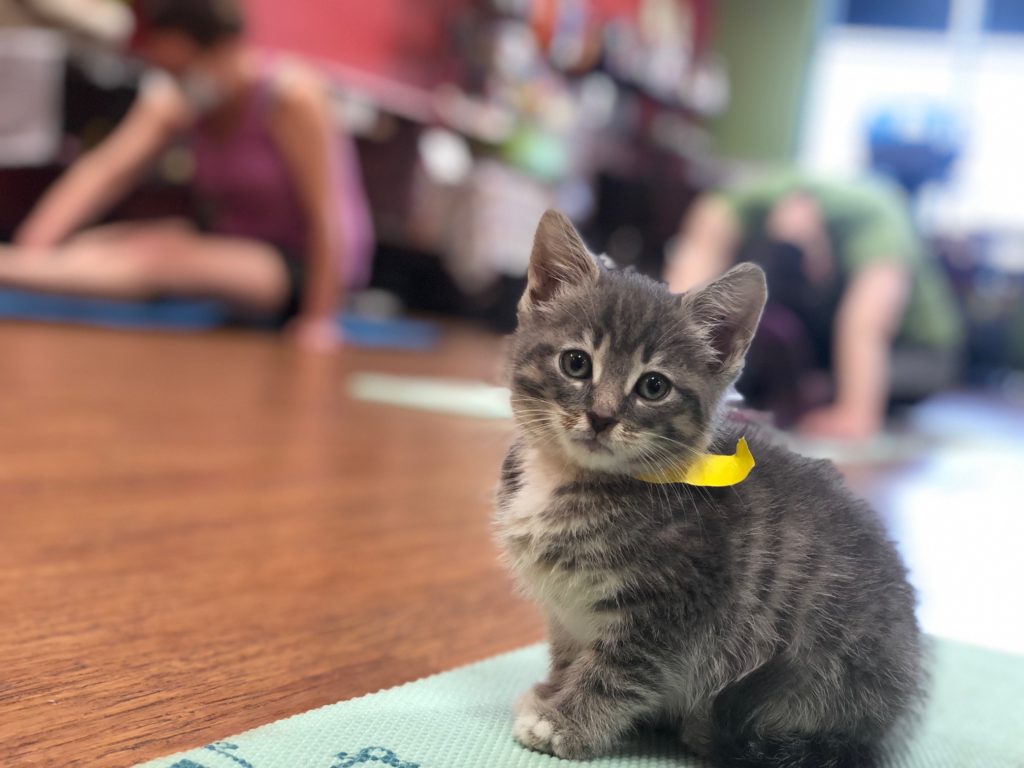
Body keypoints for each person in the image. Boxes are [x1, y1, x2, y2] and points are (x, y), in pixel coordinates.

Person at [0, 0, 372, 350]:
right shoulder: (179, 97)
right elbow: (103, 174)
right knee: (110, 243)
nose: (177, 81)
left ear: (225, 47)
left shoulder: (292, 97)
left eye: (184, 69)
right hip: (230, 242)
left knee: (161, 260)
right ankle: (17, 267)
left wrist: (319, 319)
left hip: (304, 264)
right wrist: (35, 246)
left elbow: (330, 212)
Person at [666, 170, 963, 441]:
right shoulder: (728, 206)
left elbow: (866, 324)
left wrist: (855, 412)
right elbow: (683, 297)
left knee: (811, 393)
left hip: (918, 351)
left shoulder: (874, 220)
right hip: (827, 336)